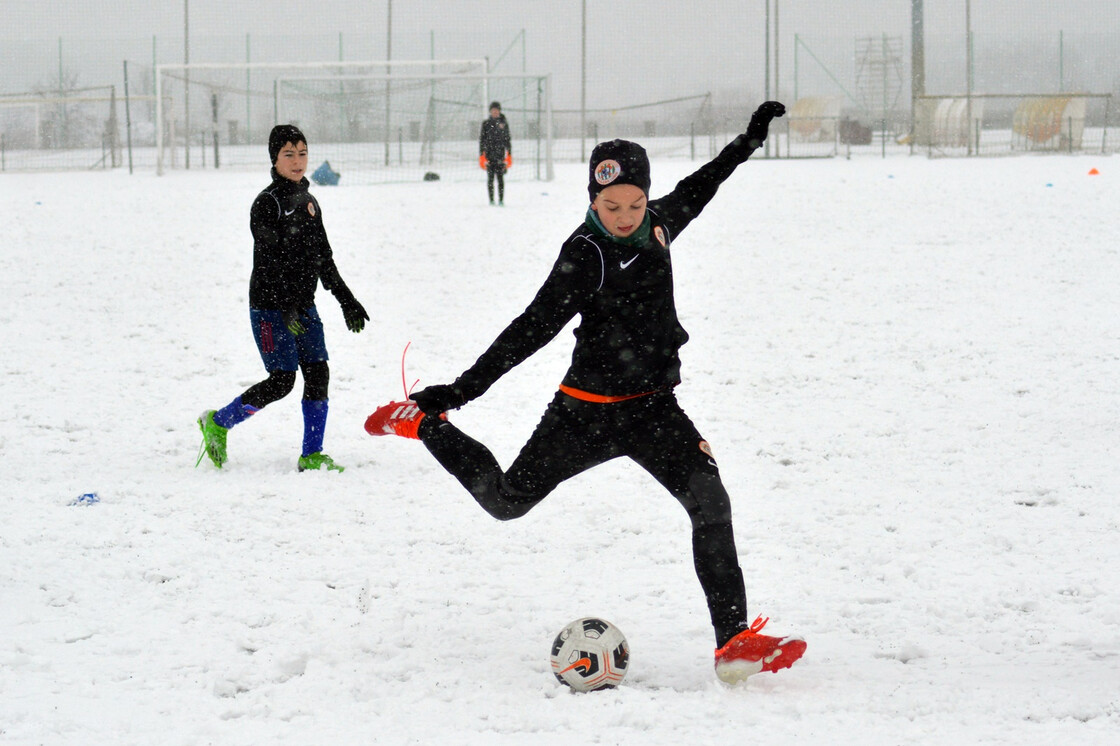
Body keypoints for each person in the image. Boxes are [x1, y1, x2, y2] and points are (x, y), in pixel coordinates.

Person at [365, 102, 805, 684]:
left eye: (633, 204)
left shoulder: (659, 224)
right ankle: (420, 426)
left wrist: (747, 141)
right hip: (585, 415)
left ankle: (733, 643)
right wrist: (456, 393)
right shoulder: (585, 254)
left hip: (654, 410)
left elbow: (703, 185)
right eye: (609, 206)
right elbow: (529, 329)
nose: (624, 216)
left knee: (711, 503)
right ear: (591, 203)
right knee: (505, 502)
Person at [197, 124, 369, 473]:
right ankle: (218, 422)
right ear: (274, 159)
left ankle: (311, 454)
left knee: (318, 373)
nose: (298, 161)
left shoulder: (309, 202)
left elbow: (324, 258)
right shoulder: (266, 204)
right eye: (289, 154)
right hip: (270, 307)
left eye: (303, 153)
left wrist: (346, 299)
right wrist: (285, 303)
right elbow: (269, 260)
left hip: (303, 304)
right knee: (282, 381)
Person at [479, 101, 512, 205]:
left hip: (500, 155)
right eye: (493, 111)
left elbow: (507, 139)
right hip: (489, 155)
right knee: (490, 179)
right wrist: (481, 155)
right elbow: (482, 140)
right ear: (490, 112)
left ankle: (501, 200)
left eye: (496, 111)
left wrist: (509, 154)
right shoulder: (486, 124)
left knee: (500, 179)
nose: (495, 112)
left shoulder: (504, 123)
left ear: (499, 111)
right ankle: (491, 200)